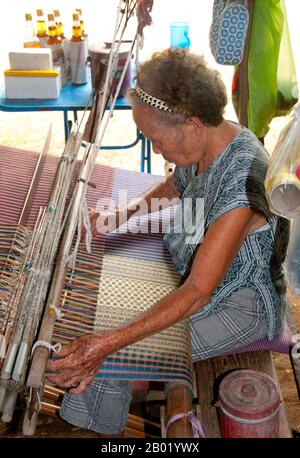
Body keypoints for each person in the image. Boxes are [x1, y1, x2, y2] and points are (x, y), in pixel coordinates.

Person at [47, 48, 290, 437]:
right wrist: (115, 216)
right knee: (104, 320)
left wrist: (105, 344)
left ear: (191, 124)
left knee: (117, 357)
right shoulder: (210, 138)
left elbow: (197, 291)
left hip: (239, 305)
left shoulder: (243, 184)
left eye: (156, 140)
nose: (157, 150)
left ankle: (97, 430)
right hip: (197, 277)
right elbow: (175, 182)